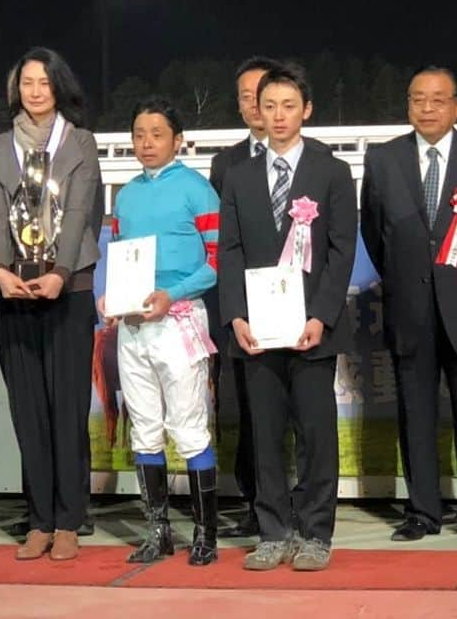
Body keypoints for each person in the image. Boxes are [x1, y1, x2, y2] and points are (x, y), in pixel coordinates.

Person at [360, 66, 457, 542]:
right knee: (416, 414)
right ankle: (422, 511)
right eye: (417, 99)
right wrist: (408, 278)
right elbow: (374, 231)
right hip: (410, 309)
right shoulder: (383, 159)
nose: (427, 108)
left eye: (437, 99)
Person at [218, 63, 356, 572]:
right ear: (257, 110)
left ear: (307, 111)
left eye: (288, 106)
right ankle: (273, 529)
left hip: (311, 330)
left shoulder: (332, 172)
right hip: (257, 331)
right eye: (268, 105)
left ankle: (316, 532)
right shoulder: (239, 176)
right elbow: (228, 252)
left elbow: (342, 252)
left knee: (317, 434)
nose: (277, 116)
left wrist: (321, 314)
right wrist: (235, 315)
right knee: (266, 435)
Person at [0, 48, 101, 561]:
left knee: (68, 408)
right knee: (27, 410)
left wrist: (60, 273)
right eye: (27, 82)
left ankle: (71, 519)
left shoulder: (79, 143)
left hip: (67, 290)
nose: (35, 91)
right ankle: (39, 520)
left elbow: (78, 214)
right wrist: (2, 271)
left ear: (59, 88)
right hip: (13, 292)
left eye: (44, 83)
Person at [98, 97, 221, 566]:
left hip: (181, 321)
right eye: (138, 134)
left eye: (156, 134)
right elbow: (119, 258)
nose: (146, 143)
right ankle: (158, 531)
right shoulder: (125, 195)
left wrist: (173, 294)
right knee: (144, 430)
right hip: (132, 327)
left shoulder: (197, 189)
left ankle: (205, 535)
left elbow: (216, 263)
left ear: (178, 139)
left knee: (188, 429)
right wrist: (109, 299)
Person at [207, 55, 282, 538]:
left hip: (296, 305)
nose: (254, 104)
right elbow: (222, 243)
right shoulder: (226, 163)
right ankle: (256, 501)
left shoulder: (311, 158)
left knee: (291, 409)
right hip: (244, 311)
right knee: (248, 409)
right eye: (245, 96)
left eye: (264, 94)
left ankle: (294, 502)